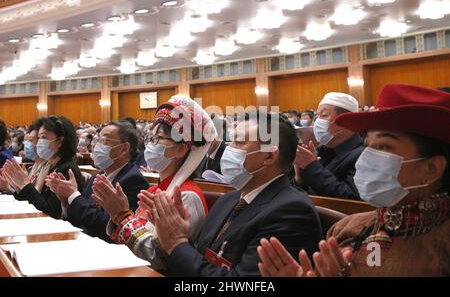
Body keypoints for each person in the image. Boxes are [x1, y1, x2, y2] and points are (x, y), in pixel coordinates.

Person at [258, 84, 450, 277]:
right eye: (368, 145)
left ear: (431, 168)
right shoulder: (345, 229)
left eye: (383, 147)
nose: (367, 157)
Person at [138, 112, 323, 277]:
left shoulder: (291, 212)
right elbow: (198, 258)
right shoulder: (229, 199)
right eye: (231, 140)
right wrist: (169, 235)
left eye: (239, 142)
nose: (228, 149)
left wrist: (177, 242)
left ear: (269, 157)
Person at [92, 95, 216, 271]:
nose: (150, 145)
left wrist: (121, 215)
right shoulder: (155, 189)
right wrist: (115, 215)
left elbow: (159, 258)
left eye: (157, 138)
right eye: (149, 138)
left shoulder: (187, 197)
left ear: (180, 149)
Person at [45, 120, 149, 242]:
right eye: (97, 140)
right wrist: (66, 201)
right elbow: (81, 219)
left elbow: (104, 227)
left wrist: (73, 195)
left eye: (104, 141)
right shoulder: (97, 176)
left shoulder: (132, 180)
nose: (96, 146)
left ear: (124, 148)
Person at [1, 116, 85, 219]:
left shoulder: (65, 169)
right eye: (39, 137)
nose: (38, 143)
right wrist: (15, 187)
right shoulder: (46, 165)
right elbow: (28, 200)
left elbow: (50, 212)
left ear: (59, 141)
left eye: (43, 138)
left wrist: (24, 184)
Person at [293, 92, 364, 199]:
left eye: (324, 115)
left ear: (347, 121)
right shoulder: (322, 150)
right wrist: (300, 179)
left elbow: (352, 198)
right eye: (317, 116)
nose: (317, 121)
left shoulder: (362, 154)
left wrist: (311, 167)